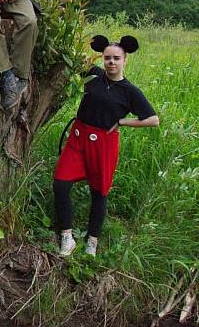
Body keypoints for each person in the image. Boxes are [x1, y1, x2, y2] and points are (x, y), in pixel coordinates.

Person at [53, 35, 159, 257]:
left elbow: (152, 119)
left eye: (116, 58)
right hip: (79, 137)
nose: (111, 62)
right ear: (102, 58)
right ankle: (67, 236)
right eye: (107, 57)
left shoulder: (130, 91)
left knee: (99, 191)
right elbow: (73, 57)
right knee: (61, 183)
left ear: (125, 60)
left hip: (103, 143)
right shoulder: (94, 75)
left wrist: (122, 121)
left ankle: (92, 241)